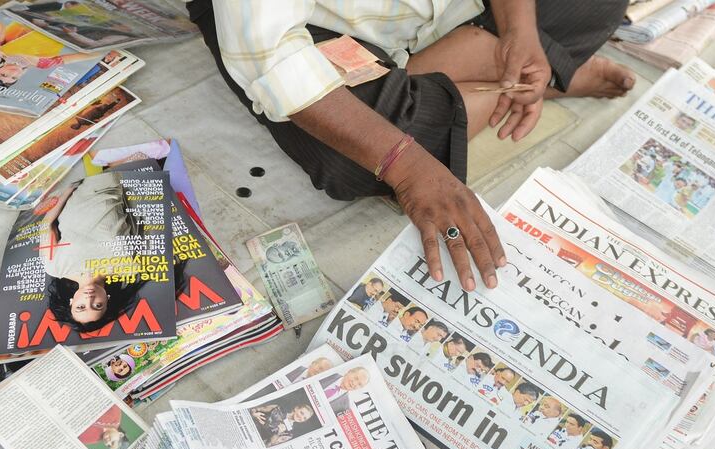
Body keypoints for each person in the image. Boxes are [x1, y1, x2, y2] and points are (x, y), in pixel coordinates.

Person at [184, 0, 635, 295]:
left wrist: (520, 30)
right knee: (354, 160)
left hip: (453, 12)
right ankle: (526, 78)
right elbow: (275, 55)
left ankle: (497, 71)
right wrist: (405, 163)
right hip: (313, 25)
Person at [40, 173, 146, 333]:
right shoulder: (128, 266)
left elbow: (46, 225)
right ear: (107, 300)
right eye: (98, 305)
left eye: (81, 307)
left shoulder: (55, 267)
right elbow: (135, 214)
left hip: (74, 185)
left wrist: (67, 189)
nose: (89, 299)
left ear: (72, 301)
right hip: (111, 178)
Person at [0, 19, 97, 90]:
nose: (13, 73)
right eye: (14, 78)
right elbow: (84, 56)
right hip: (75, 23)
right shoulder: (45, 64)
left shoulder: (1, 49)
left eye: (3, 75)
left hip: (45, 11)